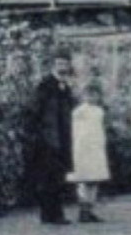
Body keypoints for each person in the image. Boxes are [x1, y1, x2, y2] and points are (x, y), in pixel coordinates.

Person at [28, 49, 77, 225]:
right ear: (53, 65)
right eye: (59, 64)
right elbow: (35, 112)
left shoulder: (66, 87)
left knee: (58, 177)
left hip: (62, 139)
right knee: (48, 177)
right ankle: (50, 214)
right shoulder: (45, 85)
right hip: (47, 140)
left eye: (65, 63)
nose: (62, 67)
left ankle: (54, 214)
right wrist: (40, 135)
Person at [68, 83, 111, 223]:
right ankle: (83, 210)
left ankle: (90, 209)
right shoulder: (78, 112)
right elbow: (74, 132)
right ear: (83, 96)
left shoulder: (99, 111)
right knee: (83, 179)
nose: (91, 97)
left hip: (96, 147)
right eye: (88, 94)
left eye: (94, 95)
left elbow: (100, 130)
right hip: (82, 147)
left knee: (95, 179)